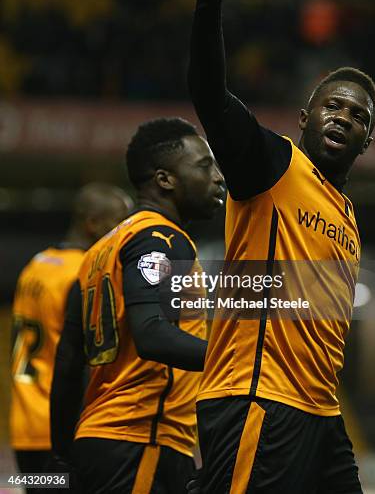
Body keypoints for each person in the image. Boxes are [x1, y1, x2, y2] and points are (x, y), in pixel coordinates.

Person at [188, 0, 375, 494]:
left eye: (357, 116)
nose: (343, 117)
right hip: (258, 399)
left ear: (367, 140)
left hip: (321, 411)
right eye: (333, 105)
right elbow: (208, 93)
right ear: (305, 116)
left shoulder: (346, 213)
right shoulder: (272, 165)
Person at [50, 118, 224, 494]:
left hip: (99, 441)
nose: (219, 178)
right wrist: (240, 359)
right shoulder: (160, 237)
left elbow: (67, 364)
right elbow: (152, 335)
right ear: (165, 179)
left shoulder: (98, 252)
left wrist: (65, 453)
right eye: (204, 166)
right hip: (142, 438)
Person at [10, 183, 132, 490]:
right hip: (61, 426)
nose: (125, 233)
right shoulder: (84, 273)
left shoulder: (36, 265)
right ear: (92, 223)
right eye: (119, 222)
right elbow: (81, 359)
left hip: (24, 424)